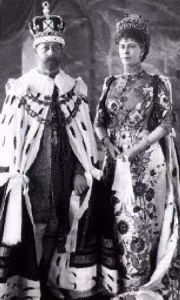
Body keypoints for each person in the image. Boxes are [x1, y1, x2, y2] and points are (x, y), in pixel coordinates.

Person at [0, 1, 100, 299]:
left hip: (66, 172)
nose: (52, 54)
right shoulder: (22, 88)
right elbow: (10, 138)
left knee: (62, 229)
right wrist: (16, 175)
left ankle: (56, 283)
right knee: (37, 229)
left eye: (56, 48)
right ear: (36, 50)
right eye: (46, 48)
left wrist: (82, 169)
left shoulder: (74, 88)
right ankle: (33, 286)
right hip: (33, 174)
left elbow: (84, 137)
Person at [94, 13, 180, 300]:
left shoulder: (156, 83)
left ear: (143, 50)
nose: (126, 51)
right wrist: (108, 143)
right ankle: (114, 280)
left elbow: (167, 123)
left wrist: (135, 148)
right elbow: (99, 122)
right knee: (114, 216)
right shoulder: (110, 83)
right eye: (122, 46)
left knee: (140, 218)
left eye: (132, 46)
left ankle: (138, 283)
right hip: (115, 159)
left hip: (145, 162)